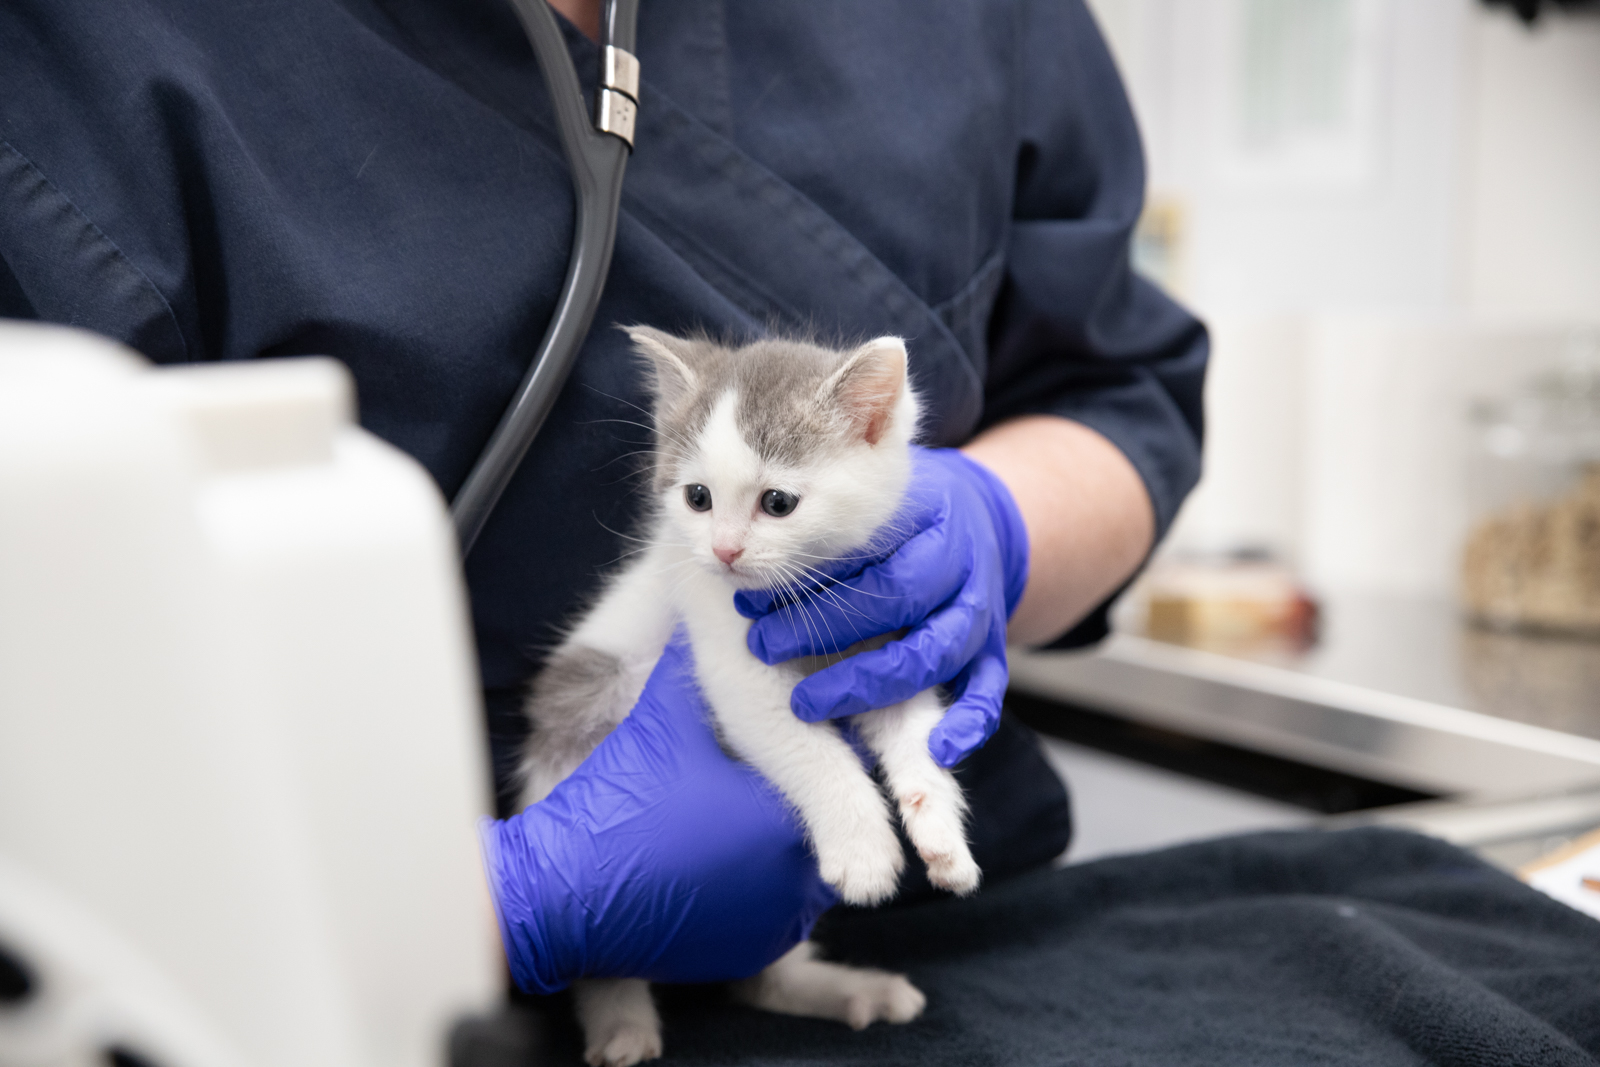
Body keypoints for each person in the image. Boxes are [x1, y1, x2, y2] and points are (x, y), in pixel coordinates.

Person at [0, 0, 1205, 994]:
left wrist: (988, 522)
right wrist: (507, 903)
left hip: (959, 943)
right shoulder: (68, 58)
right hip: (330, 983)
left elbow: (1114, 381)